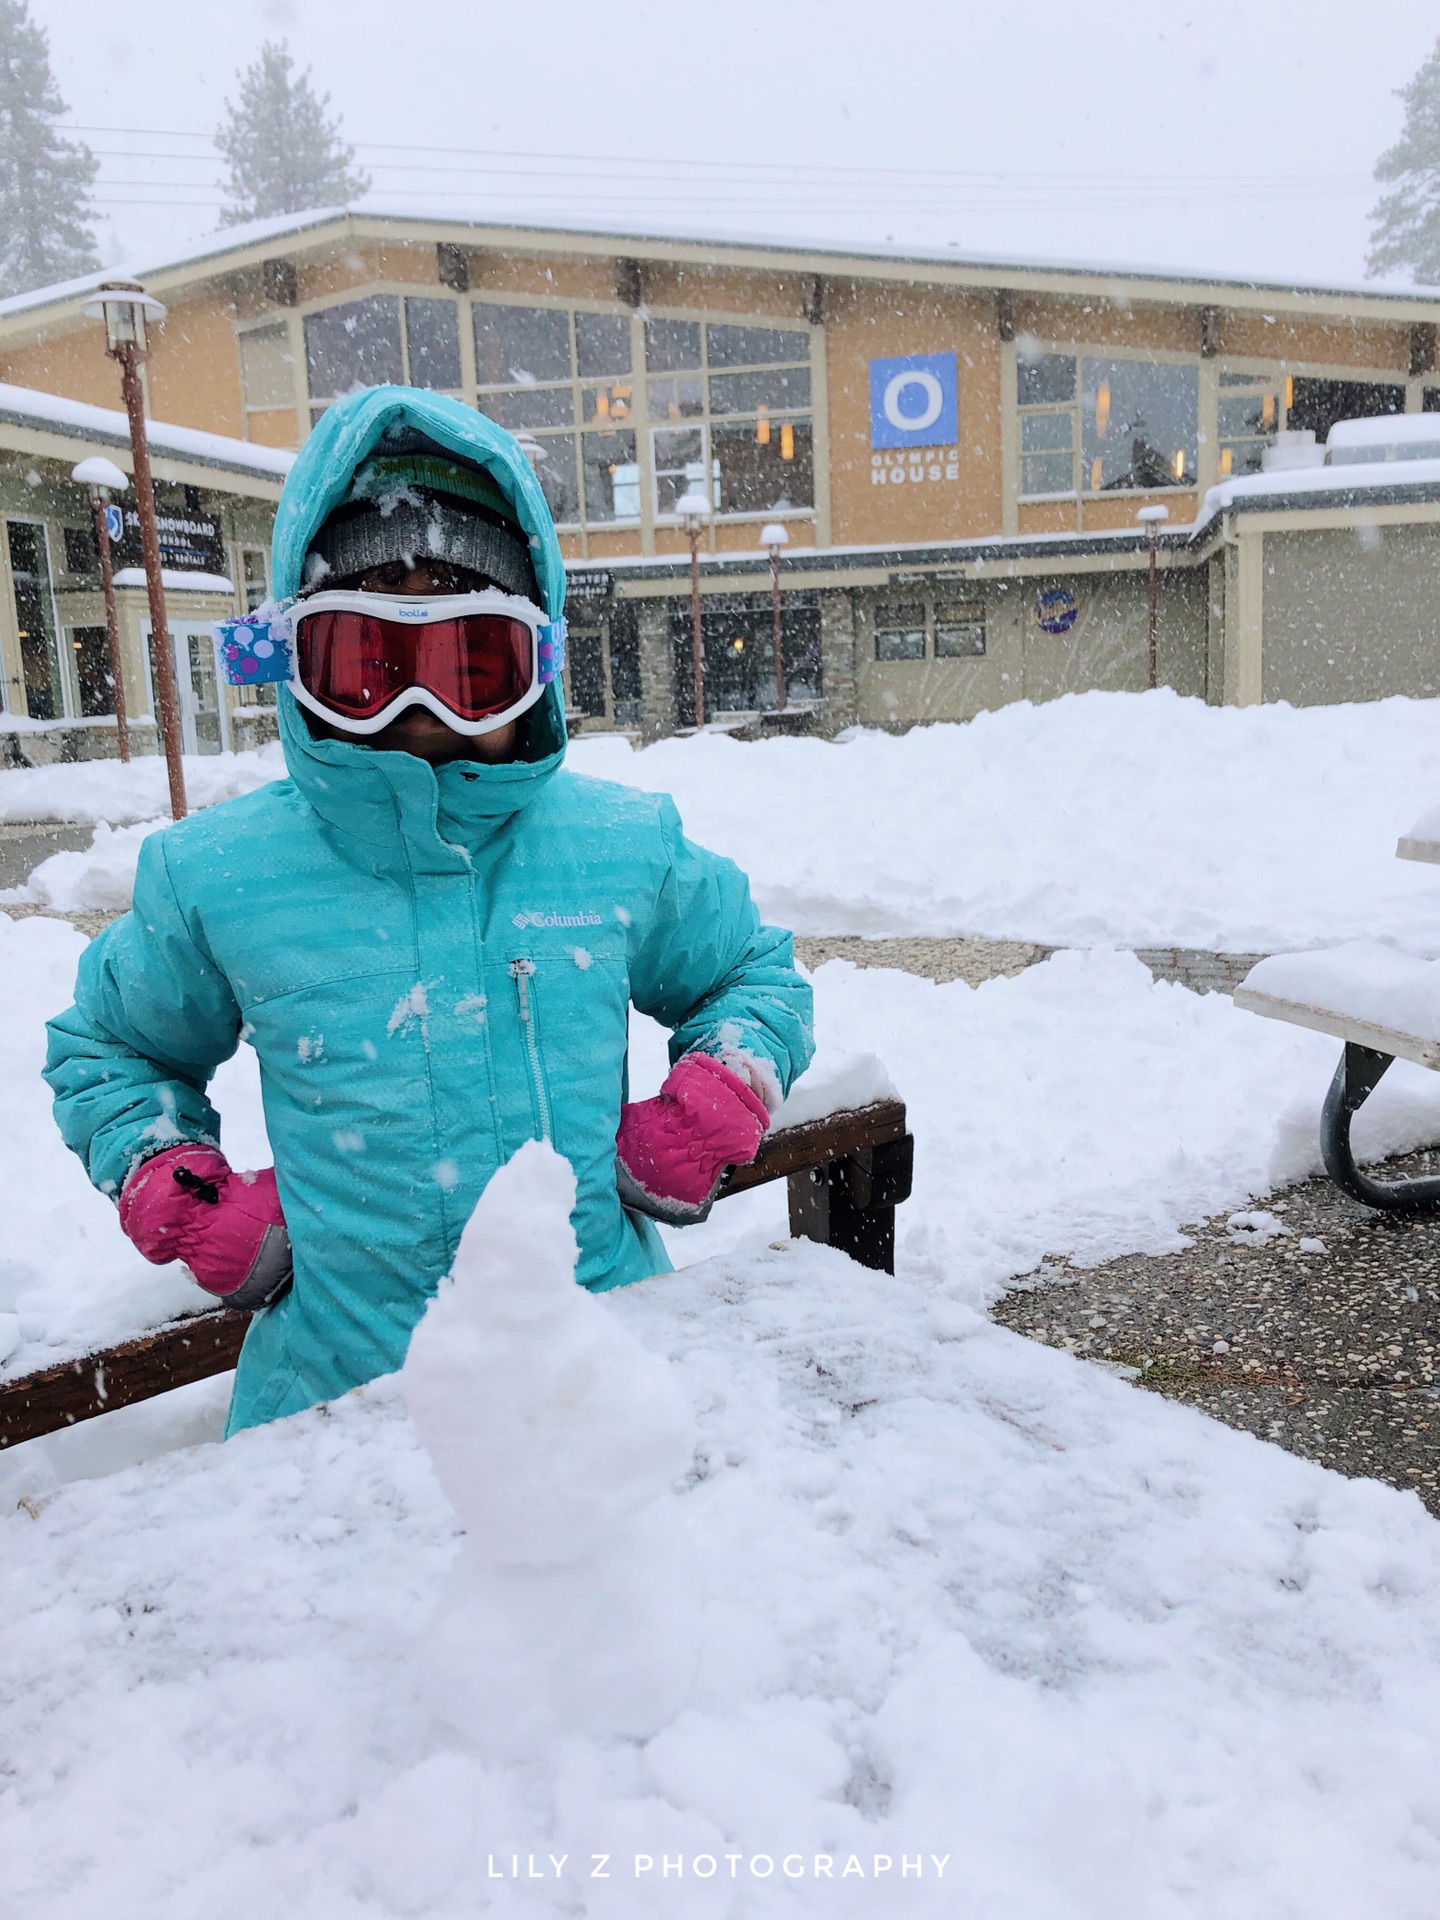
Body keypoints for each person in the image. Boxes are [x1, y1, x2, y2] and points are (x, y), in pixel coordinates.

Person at [44, 386, 814, 1436]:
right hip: (343, 1410)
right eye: (365, 668)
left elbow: (749, 972)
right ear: (293, 664)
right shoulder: (222, 874)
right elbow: (110, 1047)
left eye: (468, 668)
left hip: (597, 1387)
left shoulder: (618, 846)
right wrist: (173, 1180)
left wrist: (719, 1089)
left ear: (533, 668)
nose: (420, 714)